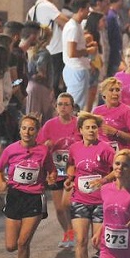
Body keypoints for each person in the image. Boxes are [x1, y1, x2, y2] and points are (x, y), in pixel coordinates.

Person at [0, 114, 57, 258]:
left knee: (23, 242)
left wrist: (51, 178)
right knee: (11, 246)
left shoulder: (43, 151)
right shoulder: (11, 150)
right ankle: (23, 251)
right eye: (24, 128)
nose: (27, 132)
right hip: (14, 197)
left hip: (34, 198)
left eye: (31, 129)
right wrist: (0, 182)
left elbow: (51, 171)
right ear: (20, 130)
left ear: (37, 132)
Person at [64, 112, 115, 258]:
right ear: (81, 131)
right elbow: (71, 165)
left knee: (99, 243)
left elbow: (118, 169)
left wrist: (103, 180)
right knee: (80, 241)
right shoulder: (75, 148)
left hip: (101, 201)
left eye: (94, 127)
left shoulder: (106, 148)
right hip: (79, 200)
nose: (92, 130)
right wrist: (70, 178)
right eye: (88, 127)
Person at [37, 93, 81, 248]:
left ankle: (77, 230)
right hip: (56, 170)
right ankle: (68, 232)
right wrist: (46, 145)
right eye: (60, 104)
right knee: (59, 208)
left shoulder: (78, 124)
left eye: (66, 104)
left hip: (74, 170)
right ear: (56, 107)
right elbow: (39, 146)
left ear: (72, 107)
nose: (63, 107)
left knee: (66, 203)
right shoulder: (49, 125)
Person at [27, 0, 70, 98]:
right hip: (54, 50)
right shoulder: (47, 6)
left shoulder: (33, 9)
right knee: (53, 83)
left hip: (37, 49)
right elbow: (65, 22)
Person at [93, 77, 130, 171]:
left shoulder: (126, 111)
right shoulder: (97, 111)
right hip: (102, 158)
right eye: (111, 90)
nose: (115, 93)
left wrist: (116, 132)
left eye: (118, 90)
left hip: (121, 159)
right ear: (104, 95)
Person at [62, 0, 97, 111]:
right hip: (76, 70)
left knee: (77, 104)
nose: (89, 11)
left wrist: (86, 46)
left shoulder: (75, 25)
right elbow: (71, 52)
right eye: (87, 9)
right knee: (74, 105)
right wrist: (88, 51)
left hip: (75, 69)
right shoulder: (73, 28)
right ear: (81, 10)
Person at [26, 26, 55, 123]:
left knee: (32, 116)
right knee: (44, 117)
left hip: (30, 86)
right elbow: (41, 72)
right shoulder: (44, 53)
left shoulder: (31, 51)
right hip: (41, 87)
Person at [84, 11, 105, 112]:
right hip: (92, 69)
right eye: (102, 21)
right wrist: (90, 64)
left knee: (93, 95)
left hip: (96, 67)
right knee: (90, 95)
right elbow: (87, 53)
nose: (104, 23)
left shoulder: (96, 34)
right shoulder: (88, 36)